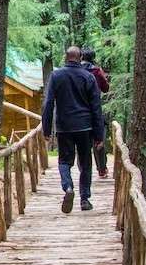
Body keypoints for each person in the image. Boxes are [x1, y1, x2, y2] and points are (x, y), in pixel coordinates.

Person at [41, 45, 106, 213]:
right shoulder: (88, 77)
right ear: (80, 57)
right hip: (85, 127)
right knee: (85, 163)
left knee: (64, 161)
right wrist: (99, 135)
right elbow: (96, 108)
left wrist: (47, 129)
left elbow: (48, 103)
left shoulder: (56, 76)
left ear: (66, 57)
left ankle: (68, 187)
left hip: (64, 127)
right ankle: (84, 199)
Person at [82, 48, 110, 179]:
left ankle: (83, 170)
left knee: (81, 143)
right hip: (95, 110)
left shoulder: (76, 71)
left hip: (79, 112)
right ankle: (102, 169)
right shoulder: (97, 71)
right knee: (98, 140)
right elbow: (105, 88)